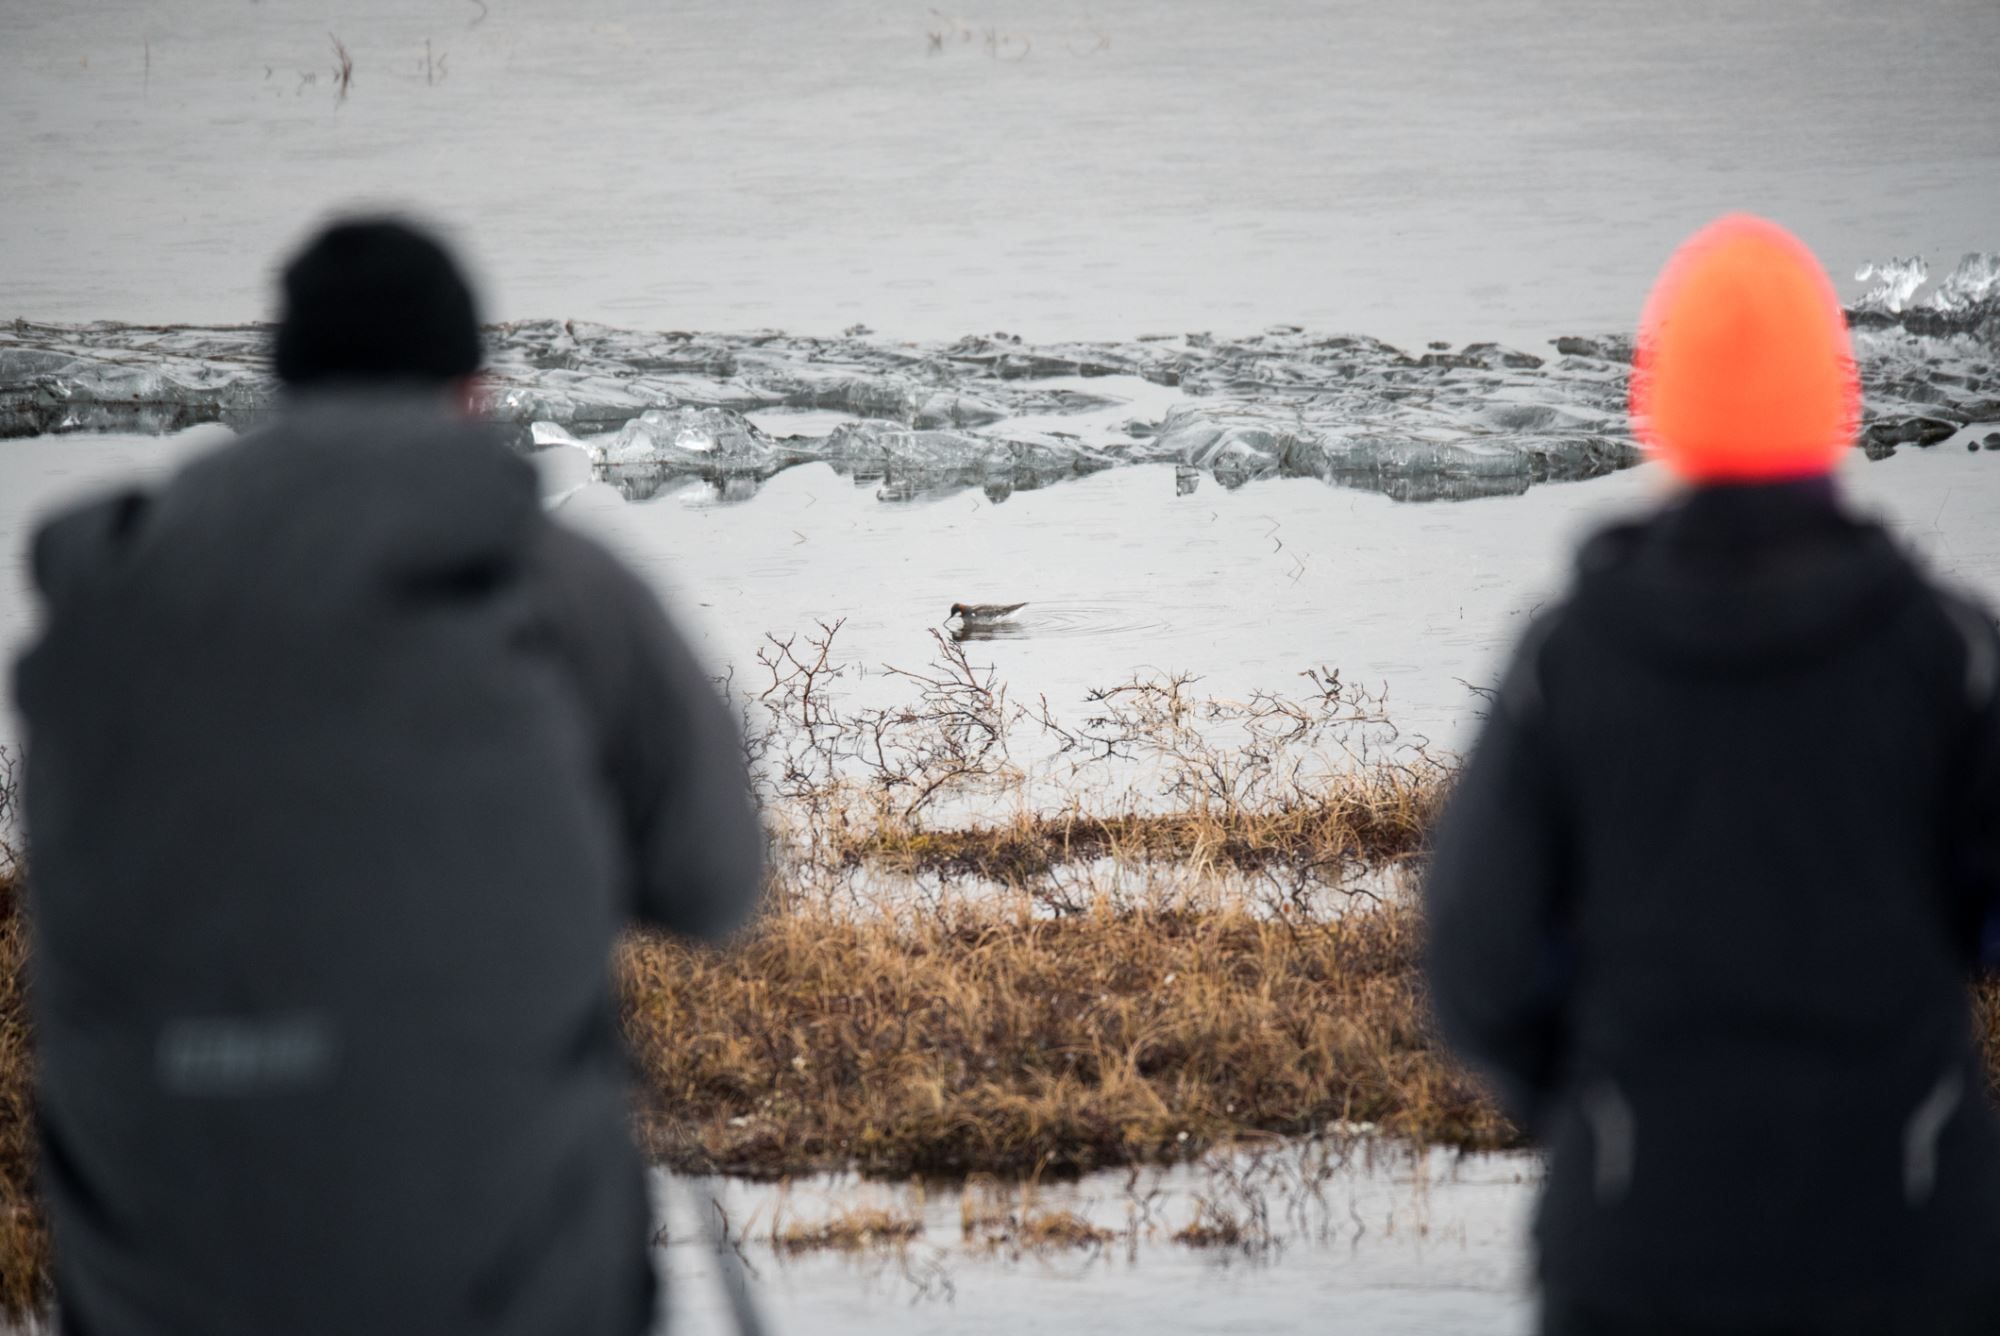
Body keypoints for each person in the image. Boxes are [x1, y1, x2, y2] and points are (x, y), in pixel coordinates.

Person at [11, 217, 765, 1335]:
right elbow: (717, 882)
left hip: (155, 1283)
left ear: (284, 379)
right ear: (471, 388)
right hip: (493, 1283)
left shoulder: (113, 594)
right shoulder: (556, 583)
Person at [1424, 214, 2000, 1335]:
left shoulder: (1563, 662)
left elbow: (1472, 961)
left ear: (1658, 401)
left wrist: (1594, 1105)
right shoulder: (1949, 655)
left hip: (1638, 1243)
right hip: (1907, 1233)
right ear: (1838, 402)